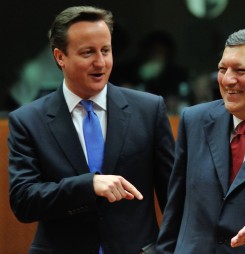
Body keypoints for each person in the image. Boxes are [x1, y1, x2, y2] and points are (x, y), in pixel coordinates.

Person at [7, 6, 175, 254]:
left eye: (105, 50)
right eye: (88, 52)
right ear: (60, 57)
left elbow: (174, 196)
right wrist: (89, 186)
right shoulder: (29, 120)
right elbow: (24, 201)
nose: (101, 62)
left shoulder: (149, 110)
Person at [156, 27, 245, 253]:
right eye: (222, 69)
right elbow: (175, 209)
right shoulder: (195, 120)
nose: (227, 80)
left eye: (241, 70)